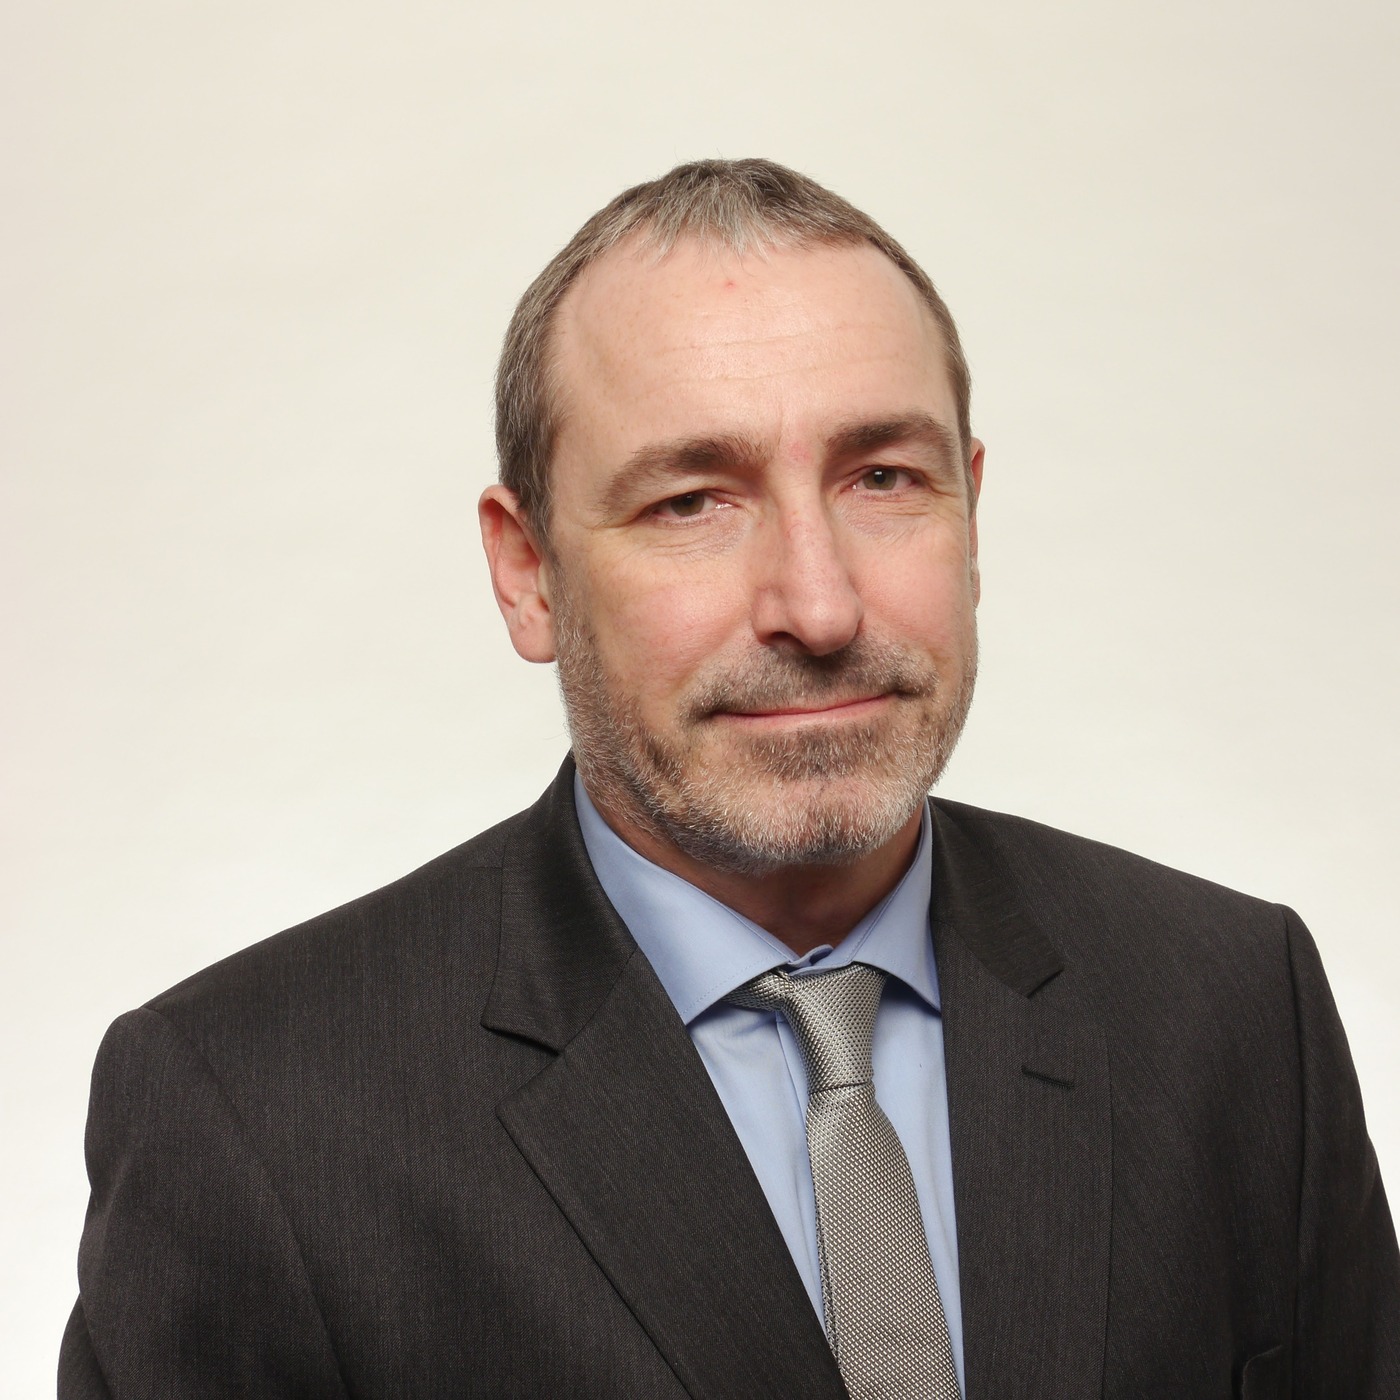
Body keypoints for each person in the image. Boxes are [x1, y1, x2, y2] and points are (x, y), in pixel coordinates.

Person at [60, 158, 1398, 1399]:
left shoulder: (1234, 1011)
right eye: (691, 500)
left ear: (973, 515)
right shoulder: (253, 1117)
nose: (818, 605)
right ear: (527, 572)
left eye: (884, 478)